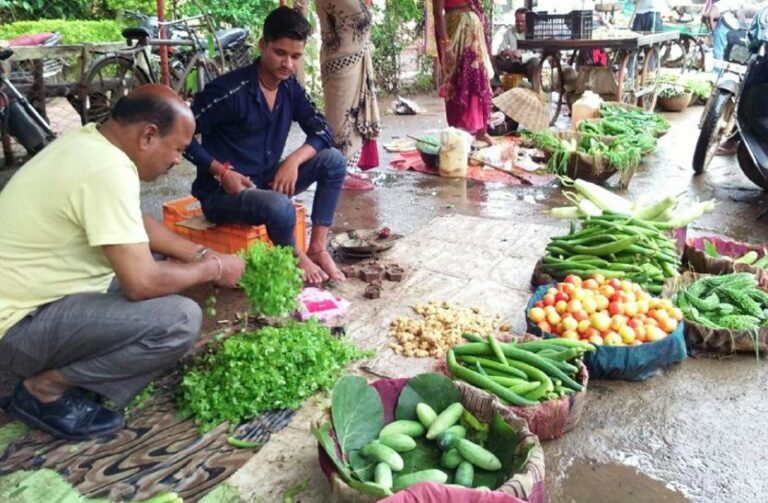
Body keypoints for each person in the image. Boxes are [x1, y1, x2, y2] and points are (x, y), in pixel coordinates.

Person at [0, 84, 245, 441]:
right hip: (20, 327)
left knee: (167, 263)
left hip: (33, 299)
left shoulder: (91, 142)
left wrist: (200, 254)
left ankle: (77, 373)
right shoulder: (106, 170)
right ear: (148, 135)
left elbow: (136, 223)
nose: (178, 160)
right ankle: (44, 389)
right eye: (177, 149)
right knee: (179, 320)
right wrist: (214, 269)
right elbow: (141, 282)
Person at [185, 7, 347, 284]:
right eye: (280, 53)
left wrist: (293, 161)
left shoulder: (289, 88)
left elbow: (322, 130)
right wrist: (221, 172)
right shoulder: (229, 91)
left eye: (295, 56)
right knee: (280, 206)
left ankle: (317, 248)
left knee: (334, 160)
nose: (288, 64)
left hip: (266, 181)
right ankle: (297, 256)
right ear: (263, 46)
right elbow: (179, 135)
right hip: (223, 194)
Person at [316, 0, 381, 192]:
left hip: (341, 57)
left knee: (344, 113)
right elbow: (360, 19)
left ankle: (346, 167)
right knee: (341, 114)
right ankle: (340, 169)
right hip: (342, 60)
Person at [433, 0, 495, 144]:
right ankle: (457, 133)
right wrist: (446, 45)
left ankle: (481, 130)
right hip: (455, 32)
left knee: (480, 82)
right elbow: (437, 13)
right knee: (457, 83)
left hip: (473, 33)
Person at [491, 8, 541, 93]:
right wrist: (504, 52)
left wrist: (522, 56)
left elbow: (538, 54)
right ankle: (497, 87)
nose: (519, 23)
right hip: (512, 63)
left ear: (527, 21)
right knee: (491, 59)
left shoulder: (533, 33)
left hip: (527, 64)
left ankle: (534, 92)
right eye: (517, 21)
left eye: (522, 21)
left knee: (535, 62)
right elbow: (500, 48)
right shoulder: (509, 31)